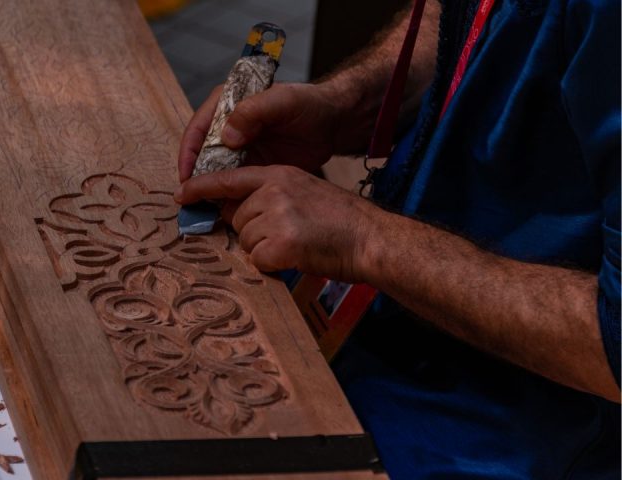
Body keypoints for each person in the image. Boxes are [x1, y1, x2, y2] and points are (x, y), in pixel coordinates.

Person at [173, 0, 620, 478]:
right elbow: (456, 16)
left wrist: (367, 239)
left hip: (503, 432)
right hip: (380, 321)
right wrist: (349, 101)